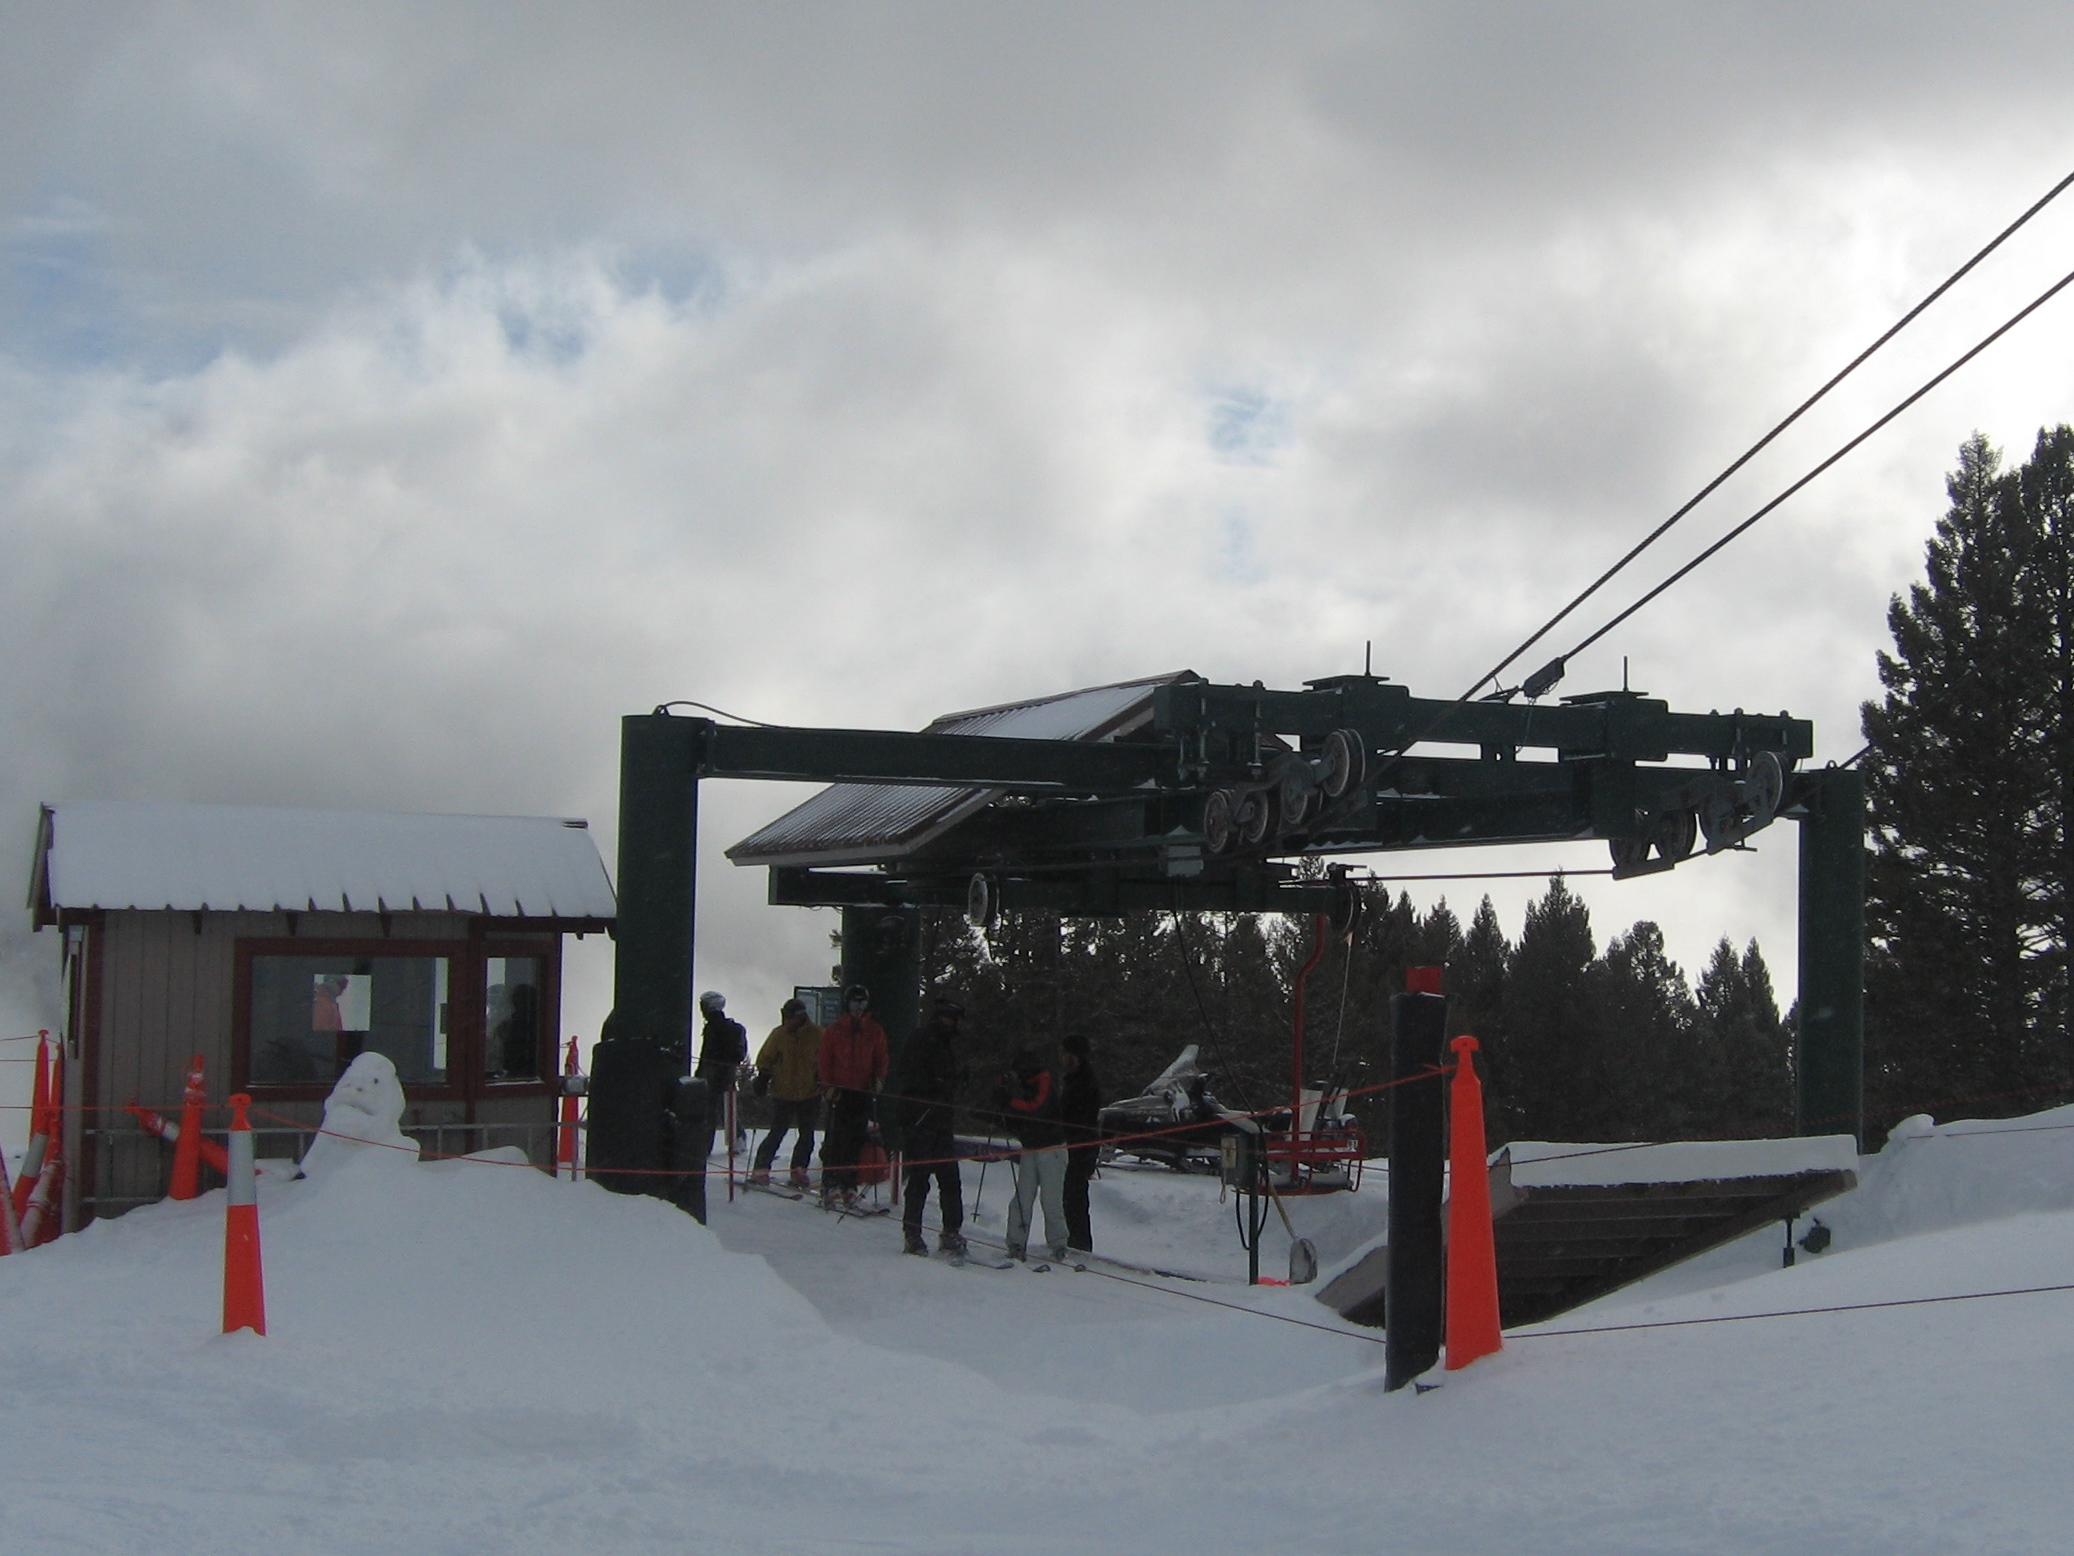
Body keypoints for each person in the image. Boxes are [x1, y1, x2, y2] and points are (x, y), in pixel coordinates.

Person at [888, 993, 967, 1256]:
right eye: (950, 1018)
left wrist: (954, 1081)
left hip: (942, 1120)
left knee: (950, 1178)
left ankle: (951, 1231)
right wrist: (934, 1087)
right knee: (920, 1178)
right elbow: (908, 1075)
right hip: (921, 1119)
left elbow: (945, 1083)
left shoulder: (945, 1043)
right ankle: (912, 1234)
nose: (953, 1024)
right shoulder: (921, 1038)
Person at [994, 1048, 1069, 1263]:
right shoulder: (1027, 1085)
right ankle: (1016, 1242)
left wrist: (1009, 1101)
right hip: (1031, 1147)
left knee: (1051, 1200)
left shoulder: (1044, 1081)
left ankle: (1058, 1243)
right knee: (1022, 1197)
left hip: (1051, 1150)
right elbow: (1021, 1116)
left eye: (1019, 1071)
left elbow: (1035, 1108)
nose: (1017, 1076)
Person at [816, 982, 888, 1207]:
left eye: (862, 1004)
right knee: (836, 1139)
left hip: (862, 1092)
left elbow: (881, 1059)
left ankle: (849, 1185)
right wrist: (828, 1086)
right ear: (847, 1005)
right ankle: (830, 1184)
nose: (858, 1009)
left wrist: (878, 1080)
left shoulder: (874, 1031)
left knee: (856, 1141)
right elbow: (825, 1060)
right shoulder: (836, 1030)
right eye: (854, 1004)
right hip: (840, 1093)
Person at [750, 998, 823, 1189]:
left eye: (789, 1017)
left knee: (806, 1134)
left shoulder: (817, 1034)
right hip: (783, 1092)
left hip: (810, 1092)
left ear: (799, 1017)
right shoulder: (779, 1034)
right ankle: (761, 1168)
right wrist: (763, 1077)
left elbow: (825, 1057)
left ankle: (799, 1169)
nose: (787, 1021)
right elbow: (765, 1057)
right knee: (777, 1131)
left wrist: (822, 1076)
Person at [1058, 1032, 1103, 1256]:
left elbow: (1082, 1118)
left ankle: (1079, 1244)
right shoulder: (1074, 1079)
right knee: (1071, 1195)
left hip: (1081, 1146)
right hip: (1076, 1144)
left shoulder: (1084, 1082)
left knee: (1074, 1195)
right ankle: (1075, 1240)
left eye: (1066, 1053)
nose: (1063, 1057)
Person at [693, 991, 748, 1161]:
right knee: (725, 1107)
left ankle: (707, 1146)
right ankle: (737, 1140)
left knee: (712, 1109)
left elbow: (707, 1052)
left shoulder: (715, 1027)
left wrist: (701, 1071)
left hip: (716, 1072)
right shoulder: (727, 1027)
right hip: (724, 1072)